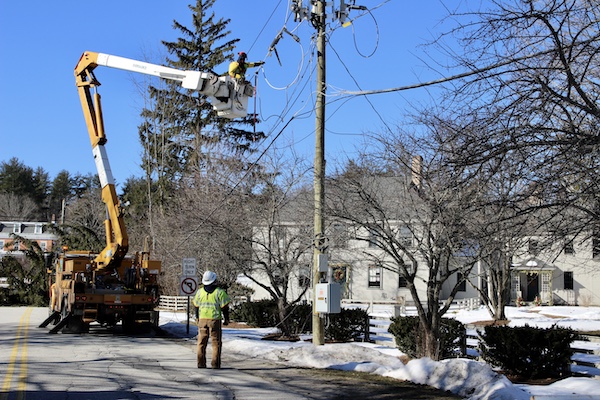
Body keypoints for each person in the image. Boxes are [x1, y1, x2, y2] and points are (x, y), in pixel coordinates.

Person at [192, 270, 231, 369]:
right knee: (216, 343)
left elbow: (196, 306)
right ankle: (215, 364)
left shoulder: (200, 292)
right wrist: (226, 319)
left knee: (201, 343)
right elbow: (225, 308)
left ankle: (201, 363)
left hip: (202, 320)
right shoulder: (220, 292)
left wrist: (197, 317)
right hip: (214, 320)